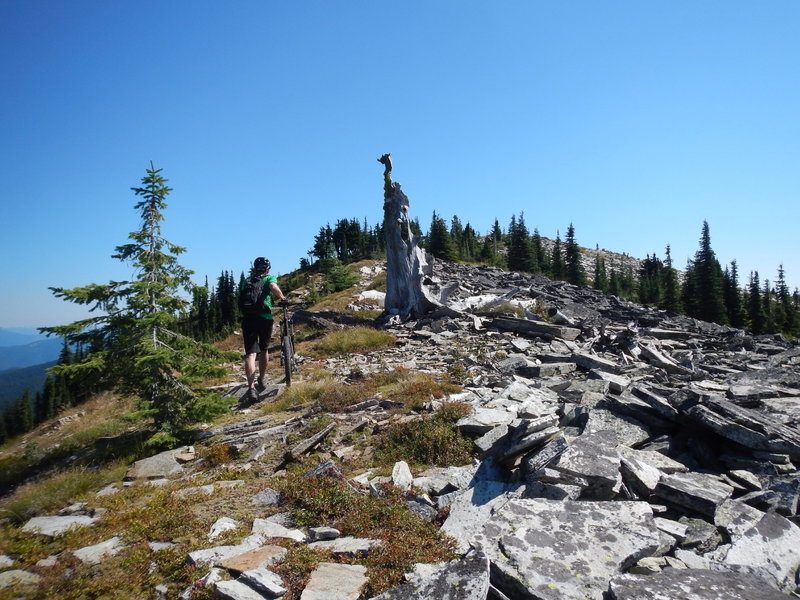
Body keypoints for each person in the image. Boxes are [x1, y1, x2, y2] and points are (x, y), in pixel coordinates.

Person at [241, 256, 286, 399]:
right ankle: (261, 378)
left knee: (250, 354)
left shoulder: (246, 281)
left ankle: (251, 387)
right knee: (264, 349)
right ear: (267, 268)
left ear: (255, 268)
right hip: (264, 318)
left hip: (248, 318)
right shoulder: (268, 278)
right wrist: (282, 298)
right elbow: (273, 287)